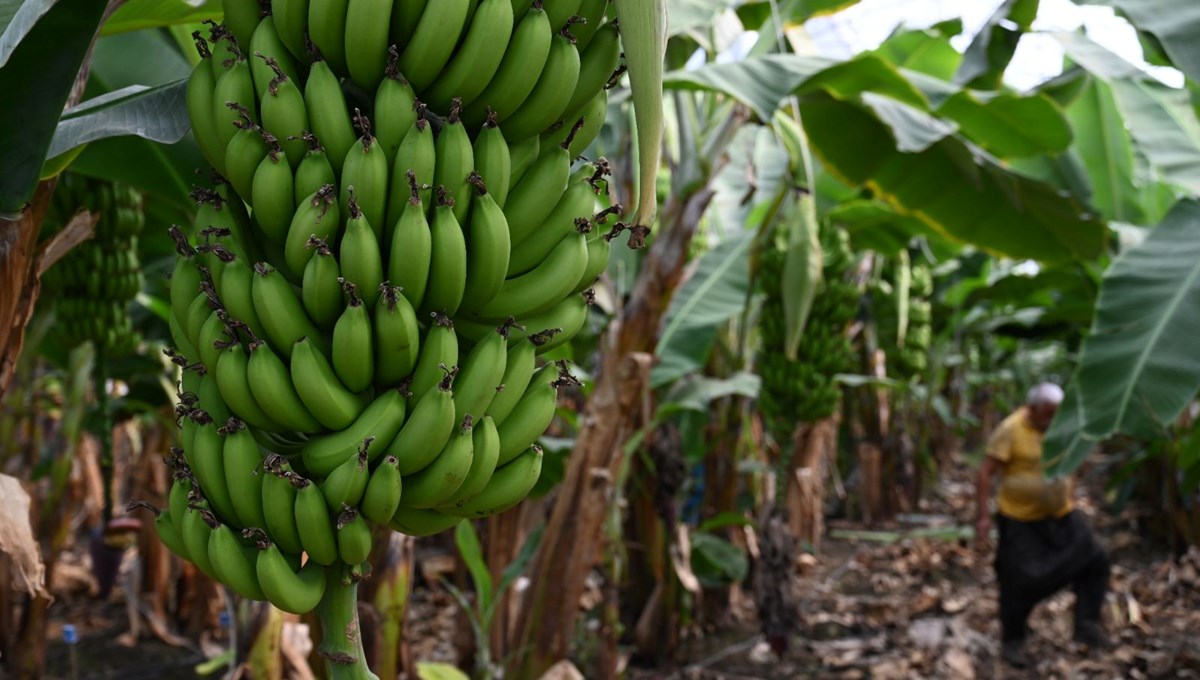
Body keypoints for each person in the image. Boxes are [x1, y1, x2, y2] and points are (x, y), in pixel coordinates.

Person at [974, 382, 1111, 668]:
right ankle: (1013, 640)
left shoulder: (1063, 428)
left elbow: (1071, 465)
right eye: (1048, 414)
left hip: (1061, 515)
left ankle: (1086, 623)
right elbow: (985, 472)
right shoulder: (1011, 429)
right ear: (1032, 409)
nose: (1052, 420)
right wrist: (983, 517)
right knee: (1017, 581)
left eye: (1057, 414)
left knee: (1095, 560)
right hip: (1020, 519)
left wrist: (1070, 498)